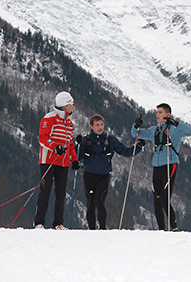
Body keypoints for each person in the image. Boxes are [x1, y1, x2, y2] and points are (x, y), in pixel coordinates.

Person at [131, 103, 191, 231]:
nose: (157, 115)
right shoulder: (153, 130)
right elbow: (136, 134)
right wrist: (135, 125)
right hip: (157, 165)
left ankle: (174, 227)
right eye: (157, 112)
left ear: (168, 114)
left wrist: (176, 123)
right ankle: (161, 229)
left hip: (170, 164)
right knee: (157, 198)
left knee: (164, 196)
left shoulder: (175, 129)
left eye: (160, 112)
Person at [77, 114, 144, 230]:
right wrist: (76, 145)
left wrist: (138, 147)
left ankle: (102, 228)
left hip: (104, 176)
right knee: (90, 204)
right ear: (91, 126)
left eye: (101, 124)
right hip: (89, 175)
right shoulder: (85, 140)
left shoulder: (110, 139)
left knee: (100, 201)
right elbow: (78, 157)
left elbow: (125, 151)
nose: (100, 127)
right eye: (97, 125)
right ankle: (91, 230)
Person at [34, 91, 80, 230]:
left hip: (63, 163)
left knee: (61, 193)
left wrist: (74, 160)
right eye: (71, 104)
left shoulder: (69, 123)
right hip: (48, 161)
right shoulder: (49, 118)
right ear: (65, 105)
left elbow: (69, 143)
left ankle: (58, 223)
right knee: (45, 191)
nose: (72, 107)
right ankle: (39, 223)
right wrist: (55, 147)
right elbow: (43, 138)